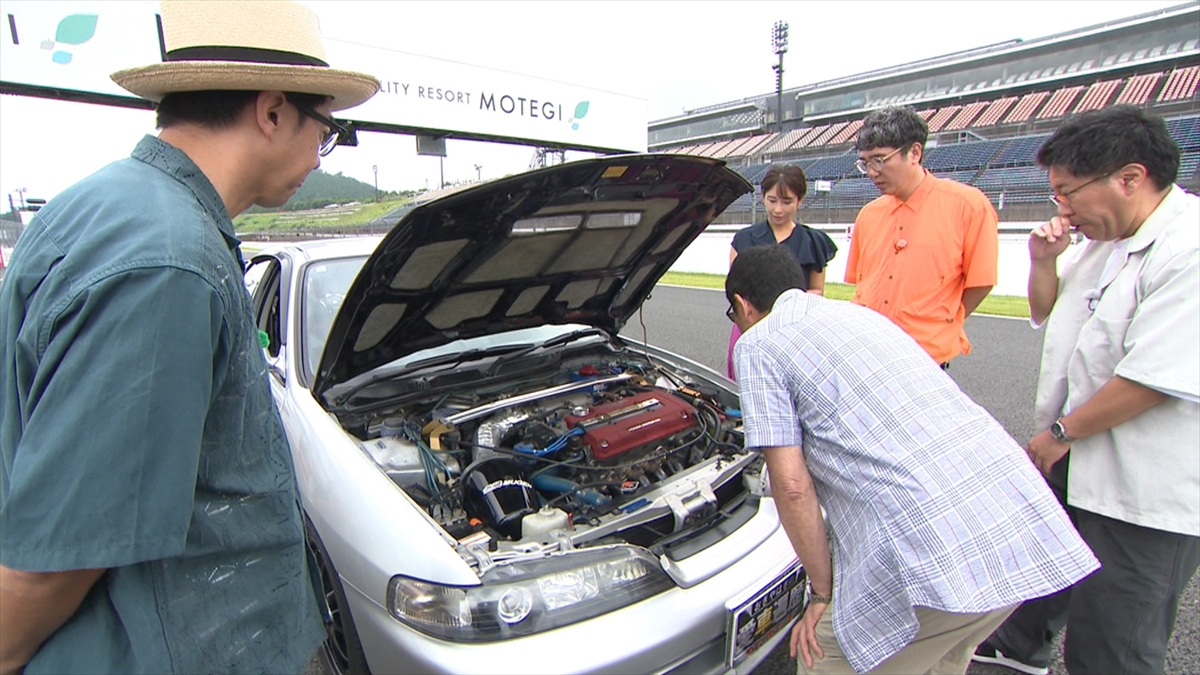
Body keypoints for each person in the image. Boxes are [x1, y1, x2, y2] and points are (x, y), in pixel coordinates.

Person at [0, 2, 380, 673]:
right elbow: (56, 561)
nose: (320, 155)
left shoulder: (103, 204)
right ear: (272, 111)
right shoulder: (167, 264)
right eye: (327, 130)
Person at [727, 244, 1098, 675]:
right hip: (1015, 527)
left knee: (824, 656)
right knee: (938, 663)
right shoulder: (860, 315)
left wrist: (822, 595)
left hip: (929, 550)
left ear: (742, 306)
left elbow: (791, 484)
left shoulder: (759, 342)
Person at [972, 106, 1199, 675]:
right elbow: (1050, 311)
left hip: (1143, 491)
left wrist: (1059, 434)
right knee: (1041, 587)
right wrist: (1043, 261)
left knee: (1114, 644)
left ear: (1129, 177)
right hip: (1083, 461)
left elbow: (1155, 378)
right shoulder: (1110, 238)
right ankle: (1017, 655)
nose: (1063, 209)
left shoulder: (1187, 247)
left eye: (1068, 192)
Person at [844, 106, 999, 368]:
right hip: (868, 353)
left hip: (925, 358)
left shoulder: (967, 205)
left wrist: (942, 319)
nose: (871, 171)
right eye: (865, 162)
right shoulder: (869, 215)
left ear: (914, 152)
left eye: (879, 160)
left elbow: (980, 282)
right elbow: (861, 285)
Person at [727, 164, 837, 378]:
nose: (778, 209)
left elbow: (817, 290)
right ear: (762, 197)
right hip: (751, 326)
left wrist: (782, 303)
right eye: (772, 200)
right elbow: (735, 291)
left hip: (795, 330)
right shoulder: (744, 239)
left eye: (787, 202)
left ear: (800, 200)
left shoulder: (814, 242)